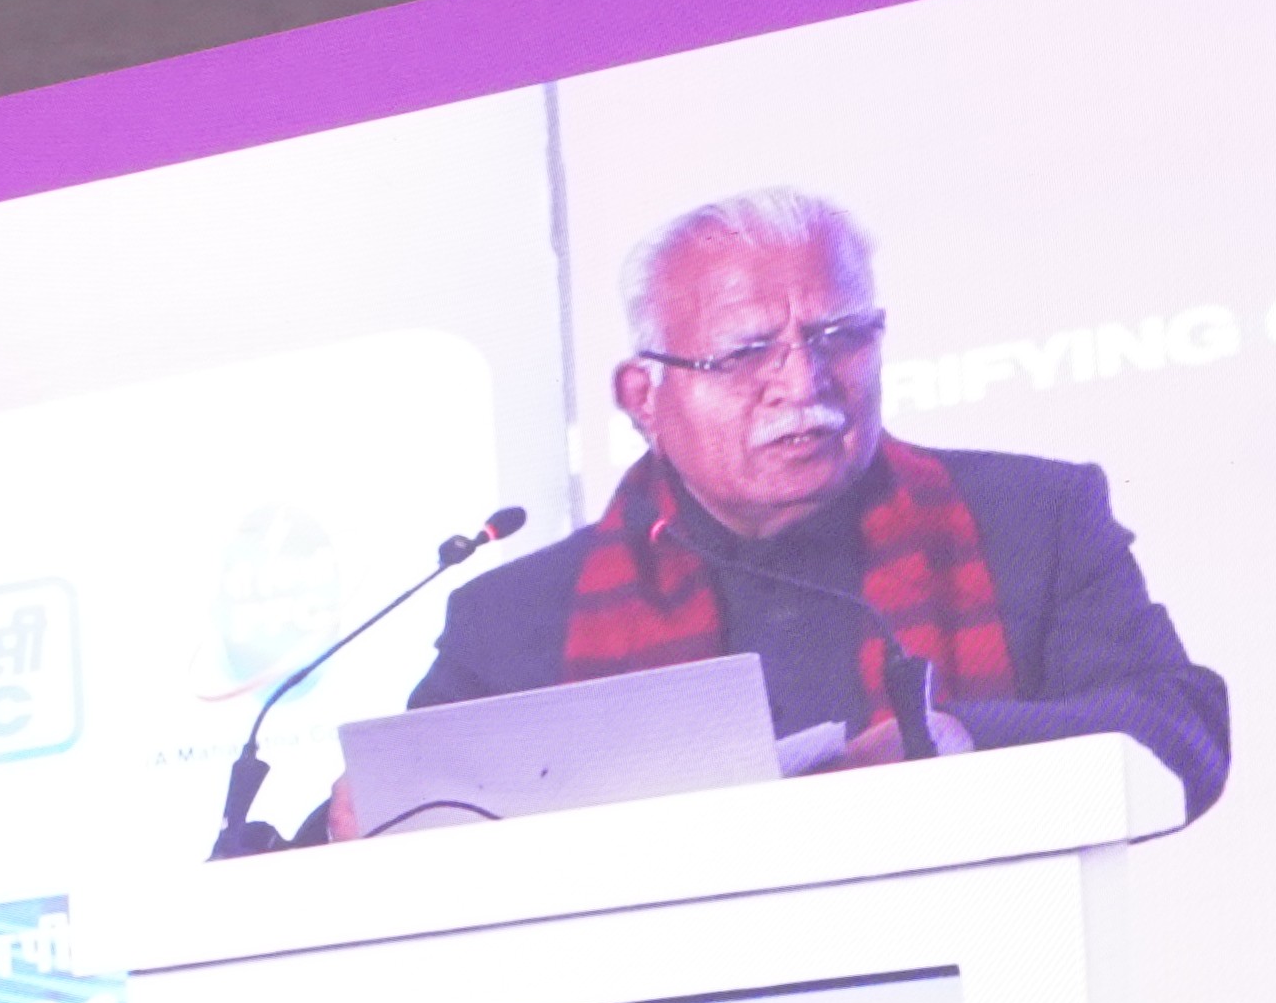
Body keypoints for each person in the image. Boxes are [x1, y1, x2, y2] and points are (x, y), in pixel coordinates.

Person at [398, 188, 1229, 818]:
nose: (802, 382)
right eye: (744, 353)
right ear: (643, 397)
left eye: (841, 337)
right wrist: (359, 820)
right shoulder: (515, 618)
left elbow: (1180, 735)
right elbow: (393, 816)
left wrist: (965, 742)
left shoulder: (1029, 519)